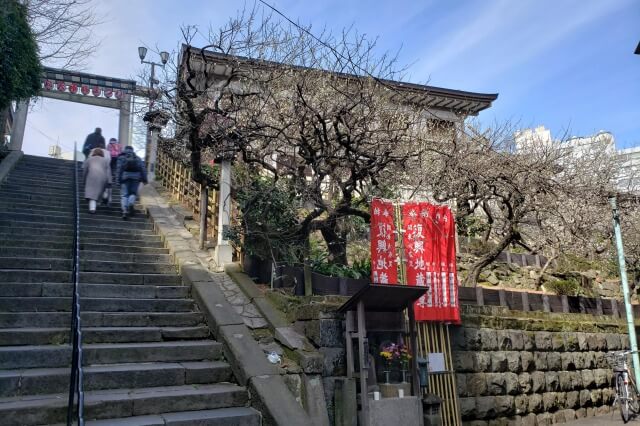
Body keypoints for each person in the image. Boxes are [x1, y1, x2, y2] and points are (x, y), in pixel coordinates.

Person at [116, 146, 148, 220]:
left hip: (125, 177)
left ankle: (124, 211)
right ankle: (131, 203)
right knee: (133, 193)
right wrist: (145, 180)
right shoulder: (138, 158)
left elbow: (118, 170)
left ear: (125, 150)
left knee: (124, 195)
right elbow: (143, 169)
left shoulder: (121, 158)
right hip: (136, 178)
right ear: (133, 150)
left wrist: (118, 180)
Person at [83, 148, 112, 214]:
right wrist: (109, 181)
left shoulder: (89, 159)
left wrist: (84, 179)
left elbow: (85, 170)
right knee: (100, 191)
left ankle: (92, 208)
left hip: (91, 177)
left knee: (92, 194)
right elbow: (108, 172)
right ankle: (104, 197)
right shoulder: (105, 160)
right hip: (102, 177)